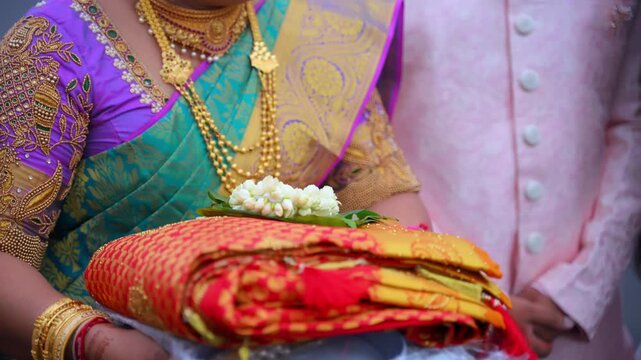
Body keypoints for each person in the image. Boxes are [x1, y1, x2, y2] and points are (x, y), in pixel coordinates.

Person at [0, 0, 431, 359]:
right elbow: (5, 254)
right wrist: (93, 342)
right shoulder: (49, 45)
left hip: (300, 333)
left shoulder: (316, 27)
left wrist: (419, 289)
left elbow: (383, 197)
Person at [393, 1, 641, 359]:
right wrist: (465, 296)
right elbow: (360, 140)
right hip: (433, 326)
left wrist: (579, 288)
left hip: (578, 336)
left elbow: (629, 124)